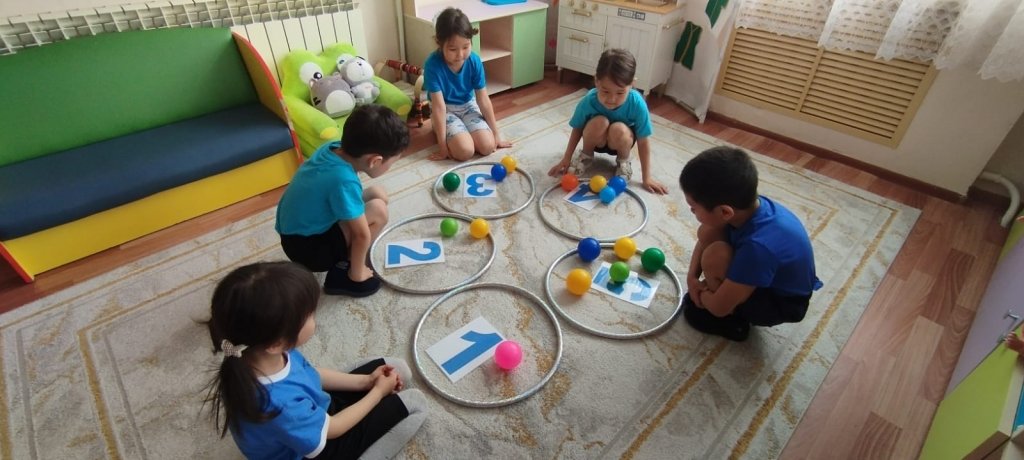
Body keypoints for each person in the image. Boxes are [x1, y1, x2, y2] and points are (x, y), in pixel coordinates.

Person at [203, 261, 427, 460]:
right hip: (316, 446)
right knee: (415, 404)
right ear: (277, 343)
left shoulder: (261, 353)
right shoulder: (280, 404)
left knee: (398, 368)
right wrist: (377, 393)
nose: (315, 317)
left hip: (314, 413)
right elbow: (335, 428)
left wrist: (367, 381)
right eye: (309, 314)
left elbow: (310, 374)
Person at [678, 147, 822, 342]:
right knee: (708, 231)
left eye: (694, 208)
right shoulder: (747, 207)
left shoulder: (758, 249)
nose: (691, 211)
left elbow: (719, 307)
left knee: (715, 257)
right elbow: (706, 235)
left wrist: (701, 295)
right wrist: (692, 278)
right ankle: (728, 294)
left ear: (725, 212)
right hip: (763, 270)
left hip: (781, 302)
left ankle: (734, 320)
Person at [275, 104, 409, 297]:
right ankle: (347, 272)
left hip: (296, 235)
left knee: (377, 193)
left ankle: (348, 262)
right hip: (310, 251)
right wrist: (359, 272)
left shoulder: (333, 148)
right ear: (375, 161)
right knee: (379, 210)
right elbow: (361, 235)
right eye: (392, 163)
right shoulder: (343, 180)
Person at [547, 48, 668, 195]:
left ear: (632, 84)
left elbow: (643, 141)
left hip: (620, 142)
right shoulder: (589, 100)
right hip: (596, 141)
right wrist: (566, 158)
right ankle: (585, 157)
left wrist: (646, 178)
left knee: (619, 129)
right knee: (600, 122)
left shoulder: (637, 103)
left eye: (620, 92)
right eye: (605, 91)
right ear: (597, 81)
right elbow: (577, 128)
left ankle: (623, 163)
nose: (611, 99)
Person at [424, 7, 511, 162]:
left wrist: (496, 135)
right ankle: (436, 125)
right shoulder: (432, 65)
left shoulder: (474, 61)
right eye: (453, 49)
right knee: (465, 151)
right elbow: (439, 107)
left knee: (488, 146)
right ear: (439, 43)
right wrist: (442, 147)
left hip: (468, 105)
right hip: (446, 110)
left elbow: (483, 100)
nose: (460, 55)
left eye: (466, 47)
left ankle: (465, 133)